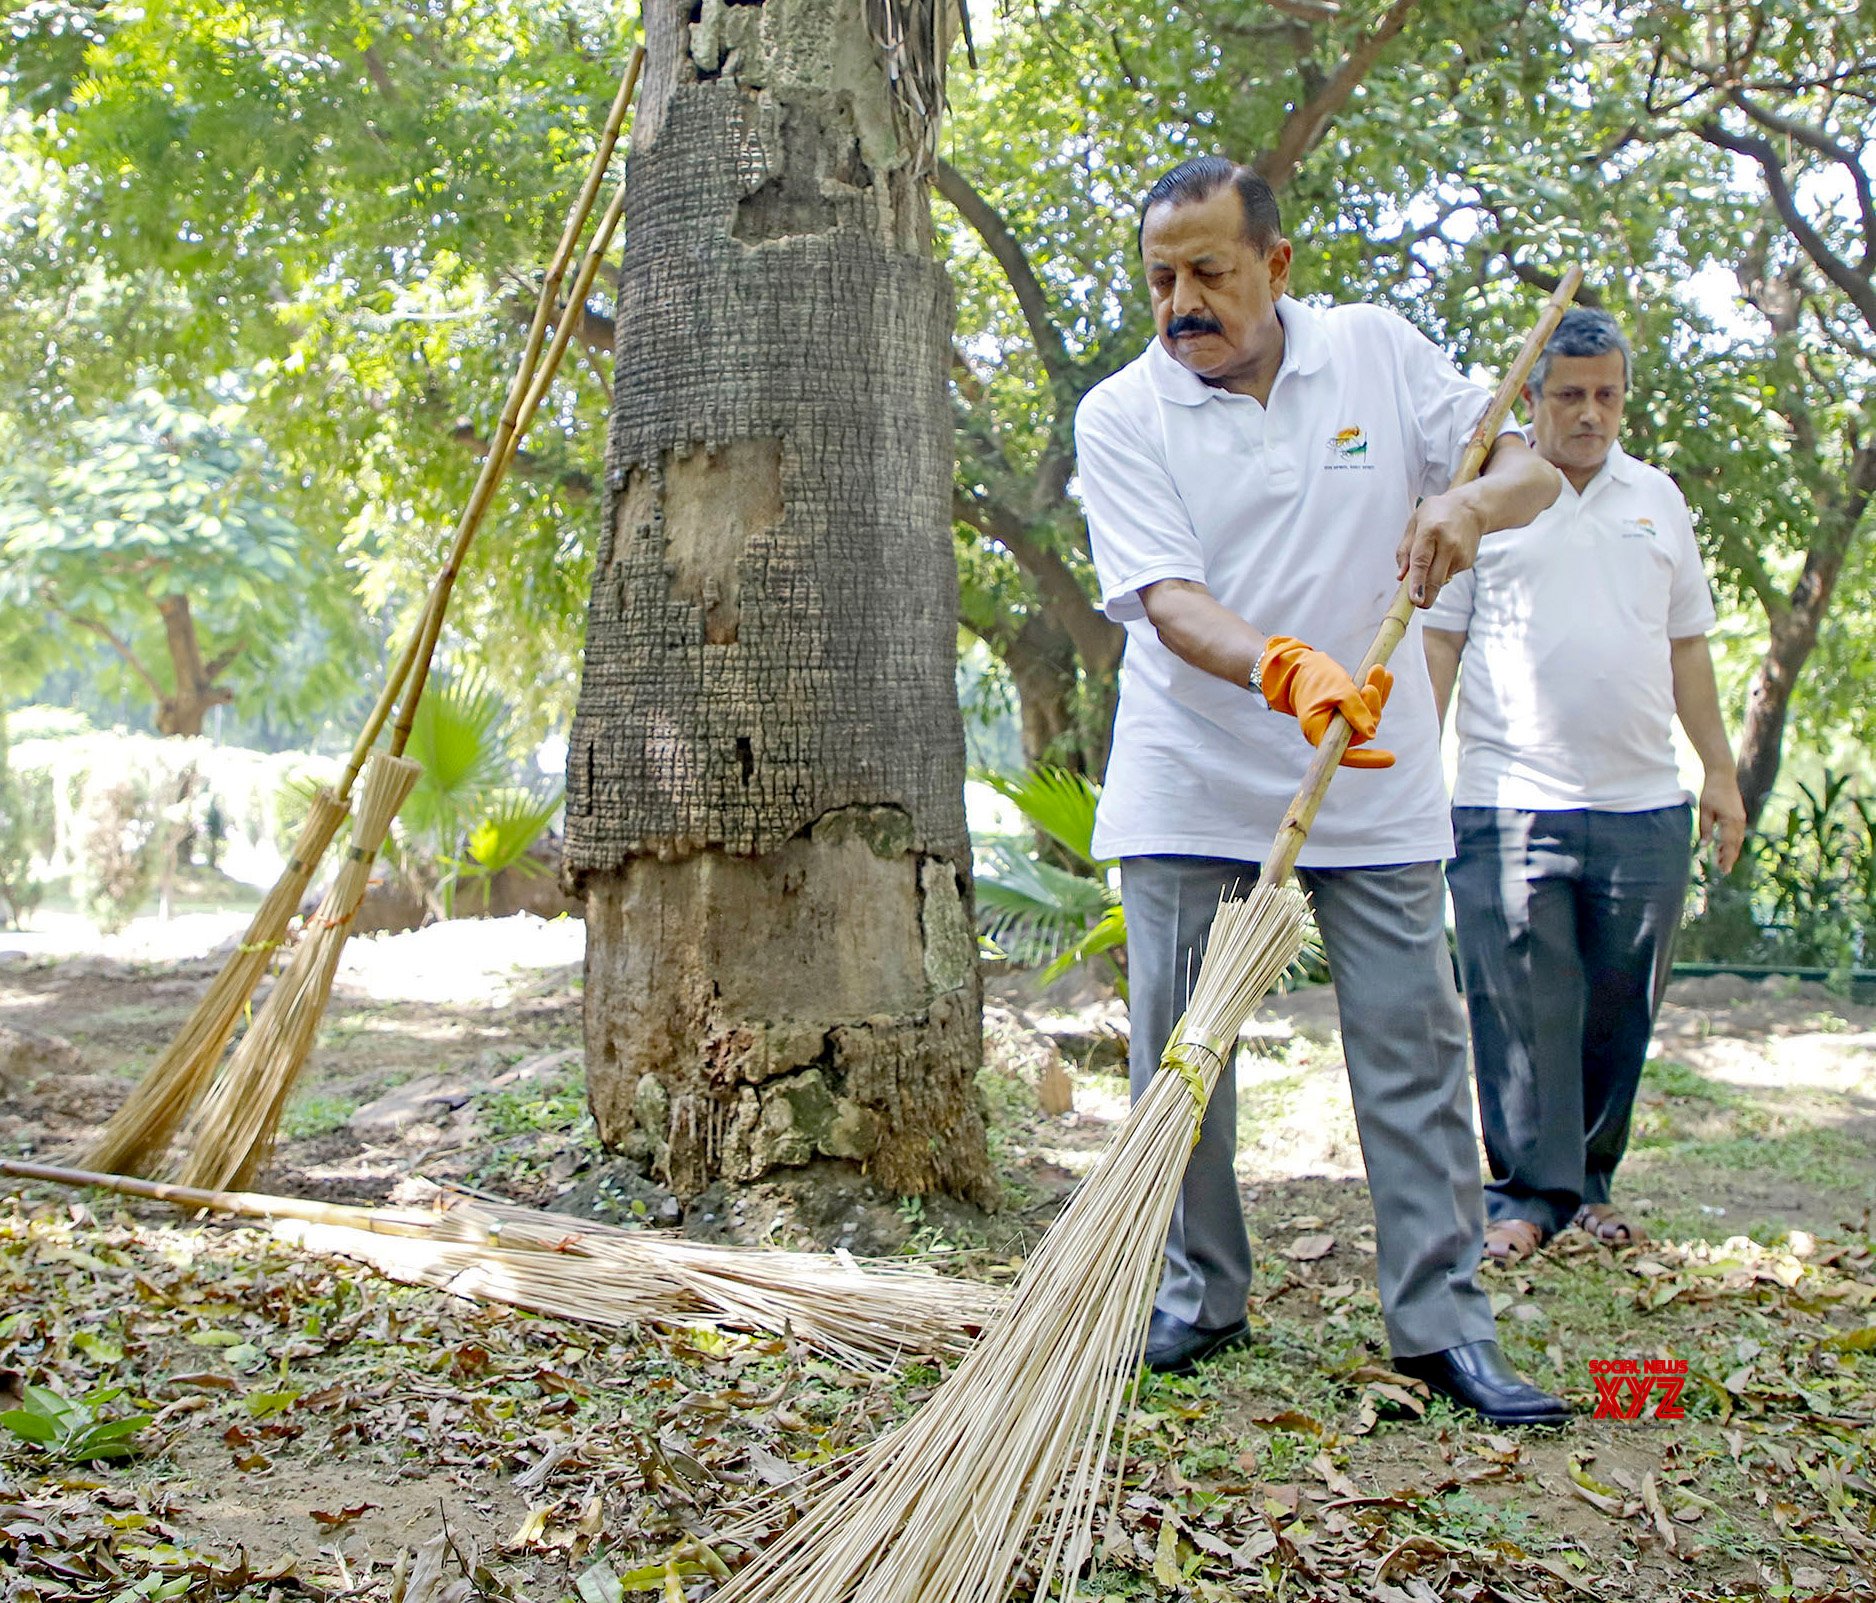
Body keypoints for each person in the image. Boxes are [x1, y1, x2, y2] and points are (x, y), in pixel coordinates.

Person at [1074, 155, 1569, 1426]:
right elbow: (1168, 600)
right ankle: (1196, 1294)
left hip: (1371, 775)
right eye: (1160, 279)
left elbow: (1529, 469)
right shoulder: (1121, 412)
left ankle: (1442, 1323)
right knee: (1184, 1055)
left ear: (1276, 265)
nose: (1181, 303)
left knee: (1413, 1048)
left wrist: (1469, 504)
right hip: (1192, 777)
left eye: (1209, 272)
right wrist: (1284, 668)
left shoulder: (1376, 352)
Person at [1423, 308, 1746, 1265]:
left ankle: (1590, 1187)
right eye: (1570, 395)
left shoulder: (1659, 499)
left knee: (1618, 1008)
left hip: (1645, 803)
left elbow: (1687, 646)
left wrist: (1720, 771)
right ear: (1532, 398)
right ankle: (1526, 1197)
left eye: (1607, 395)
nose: (1591, 413)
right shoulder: (1484, 500)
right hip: (1508, 799)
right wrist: (1408, 778)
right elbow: (1439, 644)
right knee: (1520, 1010)